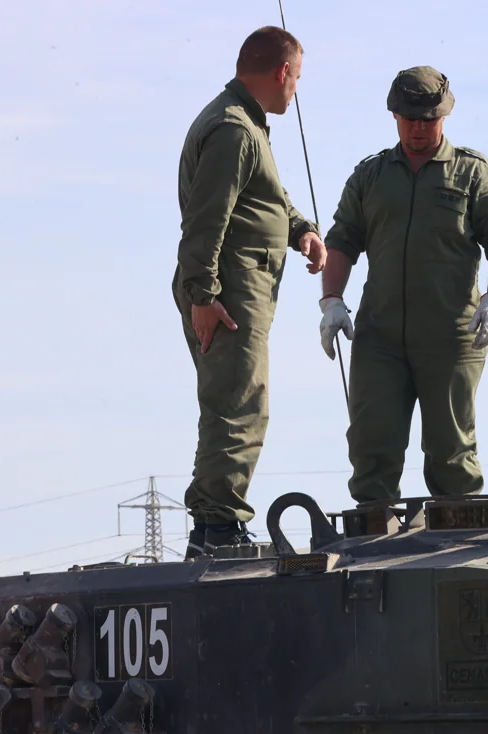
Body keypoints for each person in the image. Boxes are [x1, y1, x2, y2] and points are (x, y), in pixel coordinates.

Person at [319, 66, 488, 504]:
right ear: (394, 115)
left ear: (443, 116)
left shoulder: (472, 174)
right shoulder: (370, 177)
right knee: (372, 445)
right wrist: (332, 300)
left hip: (451, 335)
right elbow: (341, 241)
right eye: (410, 118)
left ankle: (454, 546)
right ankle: (372, 543)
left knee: (451, 451)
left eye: (428, 119)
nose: (418, 128)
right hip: (380, 337)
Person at [171, 25, 327, 557]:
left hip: (231, 285)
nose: (296, 89)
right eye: (298, 77)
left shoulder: (244, 125)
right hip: (229, 290)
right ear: (283, 72)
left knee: (235, 404)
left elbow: (267, 198)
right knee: (237, 408)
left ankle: (217, 521)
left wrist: (301, 228)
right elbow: (206, 219)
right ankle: (218, 528)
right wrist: (203, 293)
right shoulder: (235, 130)